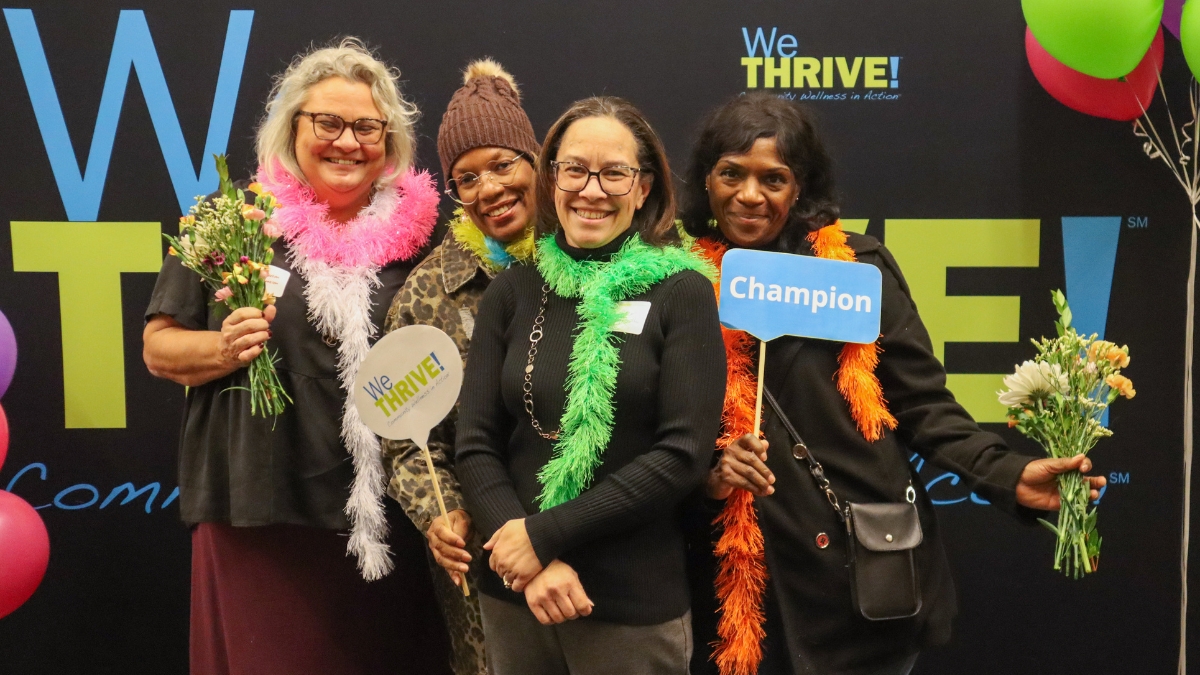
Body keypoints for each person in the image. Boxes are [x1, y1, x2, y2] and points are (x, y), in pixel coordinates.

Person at [680, 92, 1107, 675]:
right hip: (736, 592)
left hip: (856, 586)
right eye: (732, 174)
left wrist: (1009, 474)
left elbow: (924, 406)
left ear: (800, 187)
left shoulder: (855, 270)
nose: (749, 196)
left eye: (772, 178)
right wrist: (711, 469)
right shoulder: (675, 280)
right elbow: (651, 428)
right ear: (706, 180)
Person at [142, 39, 452, 675]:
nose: (347, 142)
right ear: (292, 128)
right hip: (260, 508)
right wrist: (224, 347)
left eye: (367, 127)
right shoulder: (232, 220)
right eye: (328, 123)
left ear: (389, 141)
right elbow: (159, 347)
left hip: (390, 519)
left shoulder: (423, 241)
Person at [453, 96, 727, 675]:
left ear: (644, 187)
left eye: (614, 174)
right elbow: (475, 443)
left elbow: (682, 456)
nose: (591, 190)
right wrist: (529, 560)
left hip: (628, 606)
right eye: (574, 169)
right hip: (516, 597)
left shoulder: (682, 292)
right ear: (551, 178)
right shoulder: (514, 291)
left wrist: (543, 537)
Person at [381, 58, 540, 675]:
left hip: (592, 541)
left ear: (536, 162)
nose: (489, 190)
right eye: (466, 178)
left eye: (503, 165)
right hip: (484, 555)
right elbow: (403, 435)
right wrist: (438, 511)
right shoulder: (429, 292)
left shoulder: (591, 262)